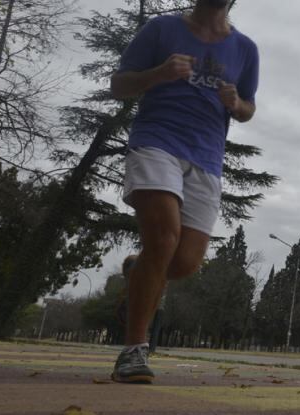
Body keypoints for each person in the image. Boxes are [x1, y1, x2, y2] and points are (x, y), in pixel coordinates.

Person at [109, 0, 259, 383]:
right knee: (162, 238)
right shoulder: (162, 29)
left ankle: (136, 271)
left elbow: (248, 108)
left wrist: (236, 103)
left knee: (185, 263)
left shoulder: (245, 49)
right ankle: (134, 351)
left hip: (207, 157)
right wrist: (158, 73)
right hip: (157, 140)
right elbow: (119, 85)